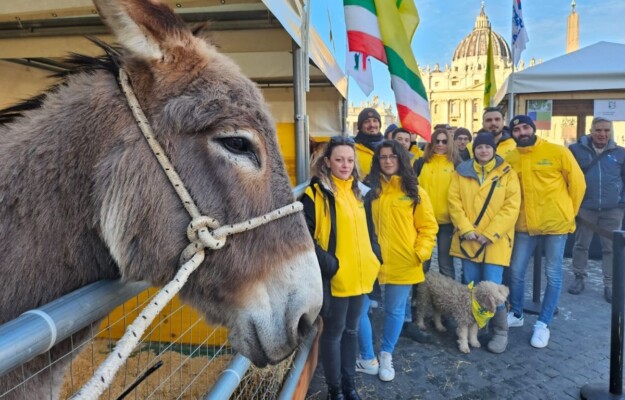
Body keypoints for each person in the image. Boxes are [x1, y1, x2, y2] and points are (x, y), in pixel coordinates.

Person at [301, 135, 382, 400]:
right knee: (333, 334)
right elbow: (304, 237)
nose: (345, 165)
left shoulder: (361, 192)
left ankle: (350, 385)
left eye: (349, 160)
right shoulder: (315, 194)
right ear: (327, 162)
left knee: (352, 330)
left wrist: (375, 257)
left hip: (361, 276)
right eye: (339, 159)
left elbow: (370, 231)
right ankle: (335, 389)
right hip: (336, 278)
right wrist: (331, 265)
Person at [356, 140, 438, 382]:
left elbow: (428, 227)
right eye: (383, 157)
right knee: (359, 311)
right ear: (377, 161)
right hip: (370, 260)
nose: (388, 160)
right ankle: (368, 357)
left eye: (393, 156)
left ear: (401, 159)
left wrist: (419, 253)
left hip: (404, 261)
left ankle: (387, 354)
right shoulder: (367, 190)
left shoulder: (415, 191)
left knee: (395, 311)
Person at [505, 115, 586, 349]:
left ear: (533, 129)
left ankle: (543, 322)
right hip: (524, 224)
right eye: (517, 129)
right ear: (512, 134)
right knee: (517, 270)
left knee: (553, 274)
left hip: (555, 225)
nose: (522, 132)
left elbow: (578, 183)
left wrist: (569, 212)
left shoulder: (557, 152)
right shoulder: (511, 158)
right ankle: (517, 313)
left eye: (525, 128)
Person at [448, 133, 521, 353]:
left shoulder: (507, 173)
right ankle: (474, 328)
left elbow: (511, 206)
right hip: (469, 240)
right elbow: (454, 202)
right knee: (471, 285)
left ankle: (499, 331)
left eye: (487, 147)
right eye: (479, 147)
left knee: (493, 287)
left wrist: (490, 233)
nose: (483, 151)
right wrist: (467, 229)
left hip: (494, 242)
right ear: (474, 149)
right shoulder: (460, 173)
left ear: (493, 150)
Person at [567, 117, 625, 303]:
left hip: (612, 209)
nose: (602, 134)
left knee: (611, 248)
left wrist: (621, 201)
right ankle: (579, 277)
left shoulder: (620, 153)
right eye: (598, 130)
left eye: (606, 130)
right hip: (586, 207)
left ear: (611, 132)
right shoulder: (575, 150)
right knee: (581, 244)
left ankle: (609, 284)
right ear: (591, 131)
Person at [414, 128, 461, 278]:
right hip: (424, 221)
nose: (440, 144)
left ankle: (448, 298)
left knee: (445, 263)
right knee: (422, 263)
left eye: (444, 141)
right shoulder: (421, 163)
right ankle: (418, 298)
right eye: (437, 141)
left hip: (448, 222)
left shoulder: (457, 164)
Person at [354, 108, 384, 178]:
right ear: (360, 127)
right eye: (366, 122)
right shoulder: (352, 148)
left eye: (375, 121)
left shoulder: (390, 147)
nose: (372, 125)